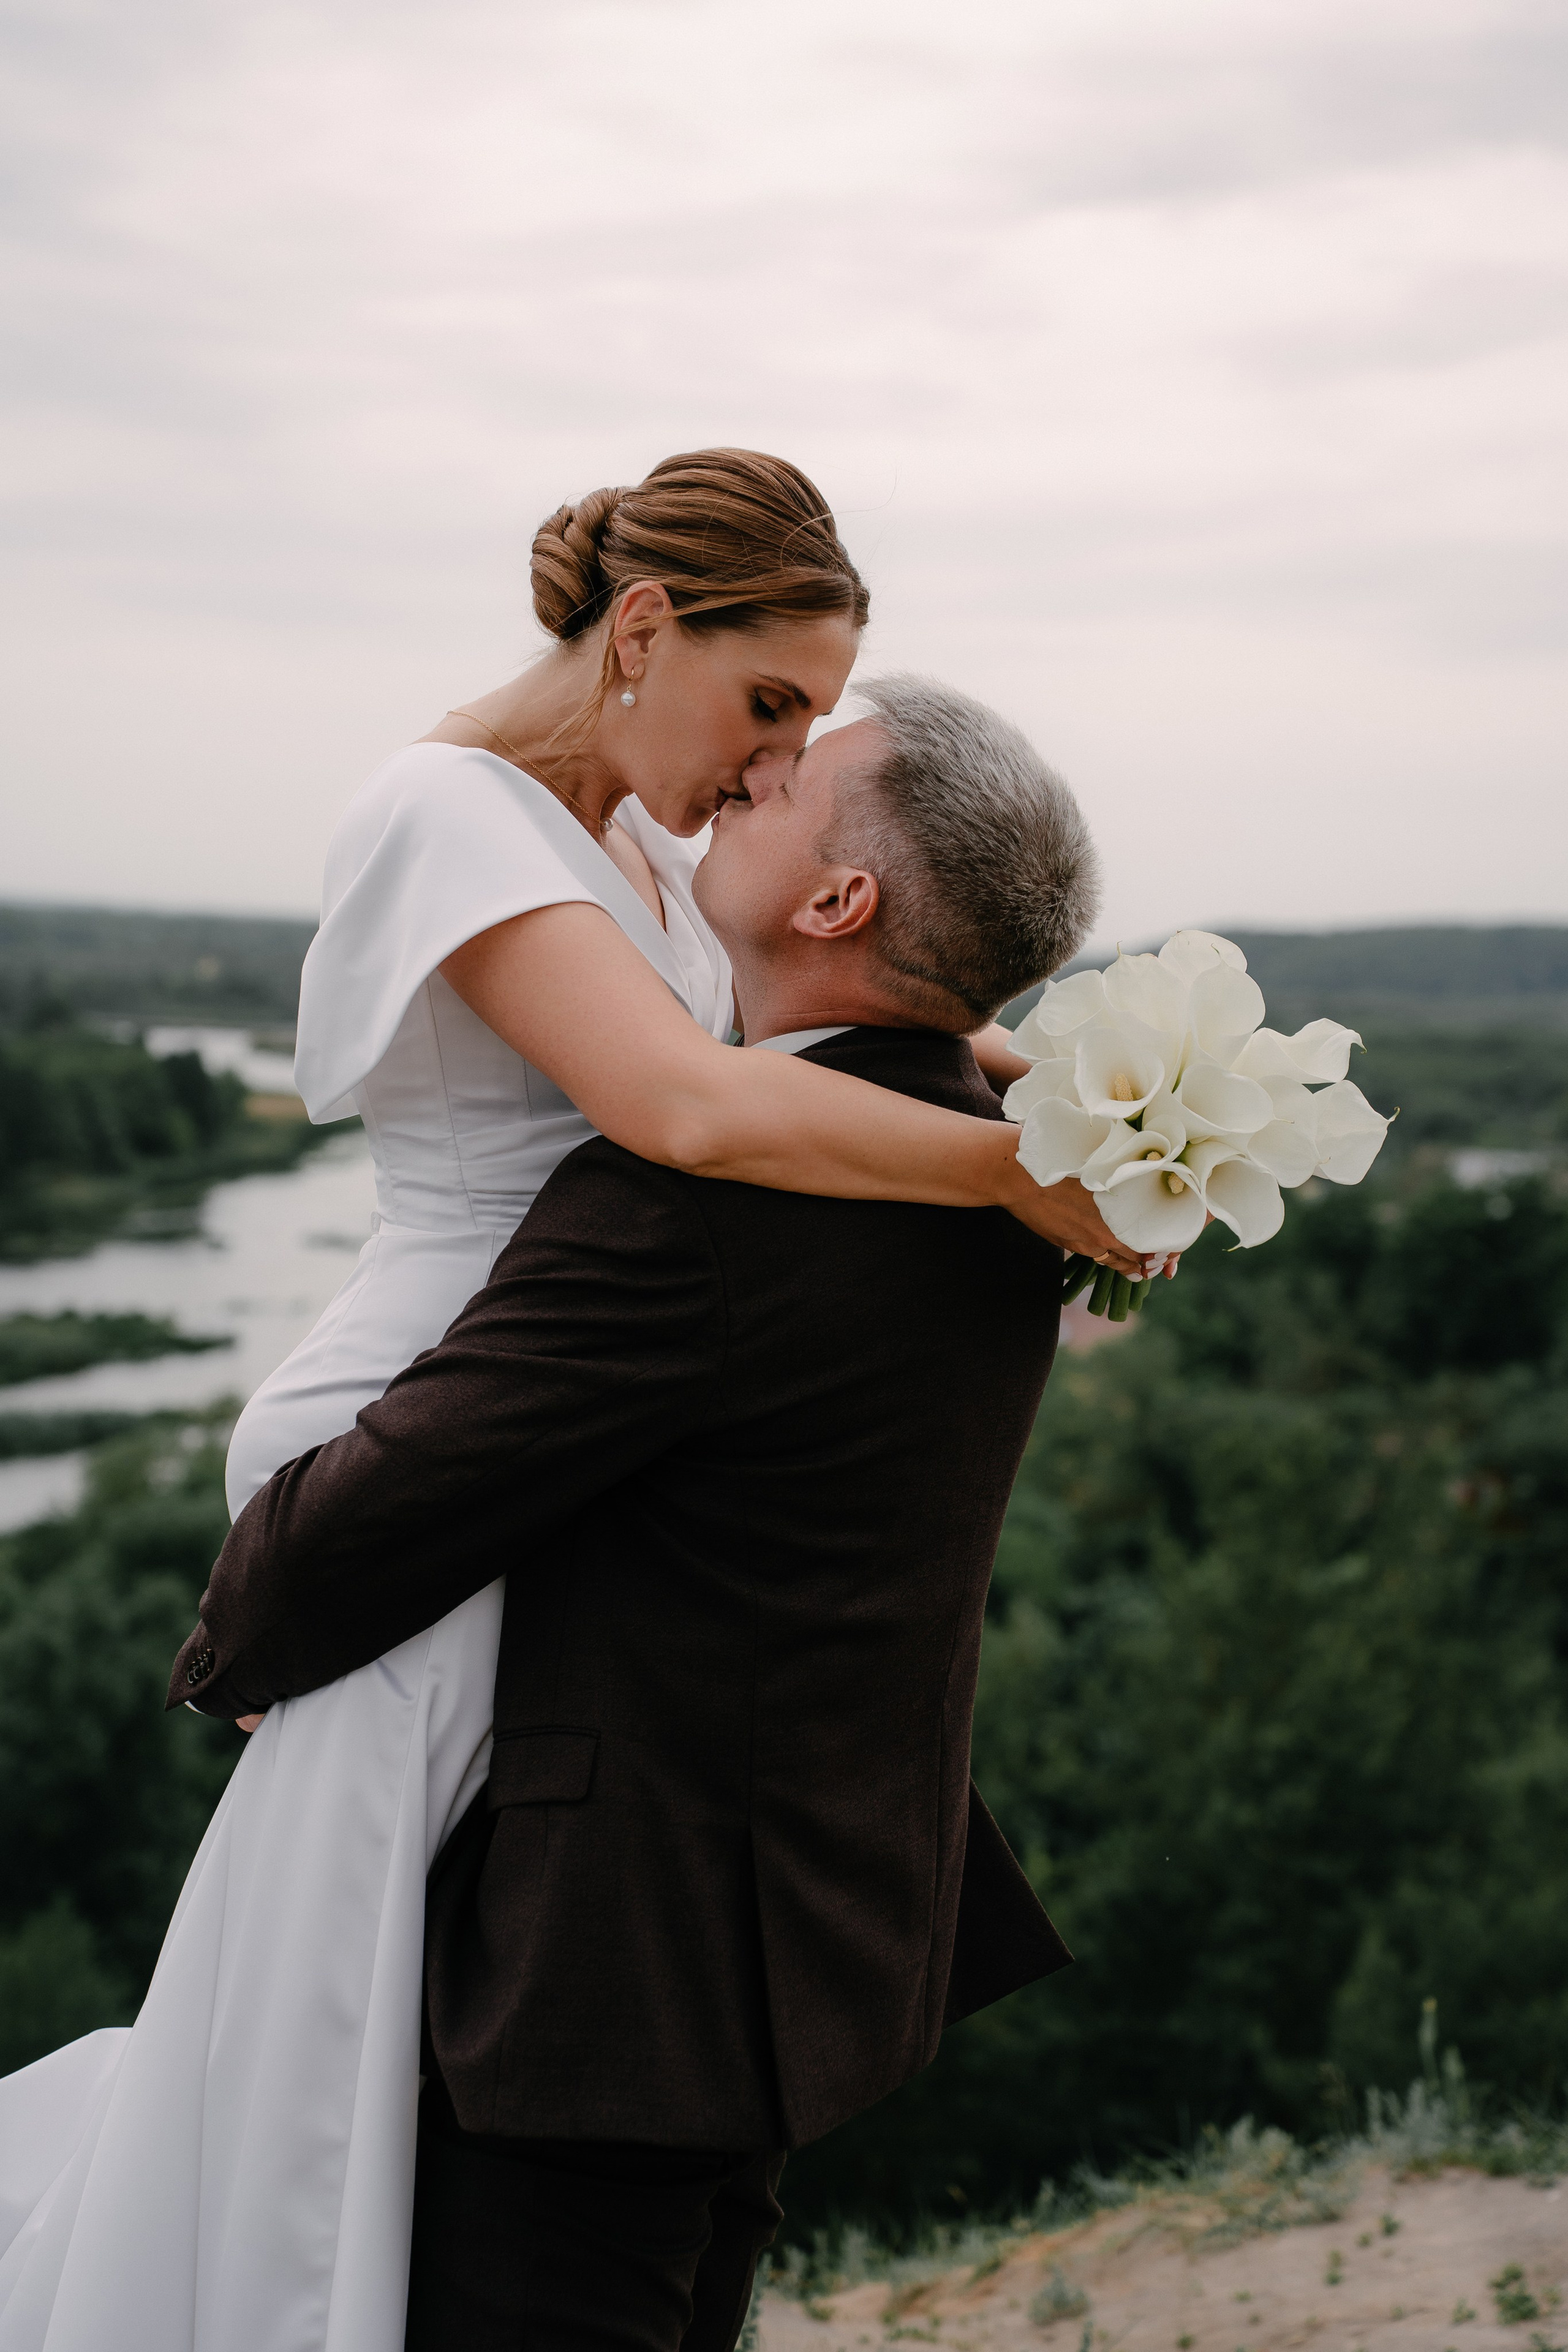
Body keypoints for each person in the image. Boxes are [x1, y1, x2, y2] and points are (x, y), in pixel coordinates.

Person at [0, 451, 1136, 2352]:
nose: (775, 758)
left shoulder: (638, 839)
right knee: (335, 2000)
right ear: (639, 634)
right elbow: (691, 1105)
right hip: (421, 1397)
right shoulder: (453, 812)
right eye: (770, 704)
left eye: (805, 732)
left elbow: (839, 1001)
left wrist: (1078, 1097)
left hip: (529, 1433)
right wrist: (1014, 1168)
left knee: (360, 2002)